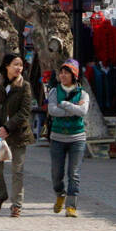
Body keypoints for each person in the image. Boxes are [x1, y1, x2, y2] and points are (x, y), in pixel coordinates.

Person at [0, 52, 33, 217]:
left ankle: (16, 205)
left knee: (17, 170)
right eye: (15, 64)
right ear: (6, 66)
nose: (18, 68)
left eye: (20, 65)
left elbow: (24, 112)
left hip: (18, 134)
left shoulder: (24, 86)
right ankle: (1, 194)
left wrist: (7, 127)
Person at [46, 59, 89, 218]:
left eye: (66, 73)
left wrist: (64, 104)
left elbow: (83, 111)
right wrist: (72, 109)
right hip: (57, 137)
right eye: (61, 72)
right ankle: (59, 193)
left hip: (77, 137)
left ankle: (71, 206)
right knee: (56, 173)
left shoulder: (83, 93)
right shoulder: (54, 91)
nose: (63, 75)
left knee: (74, 173)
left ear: (74, 75)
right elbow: (52, 110)